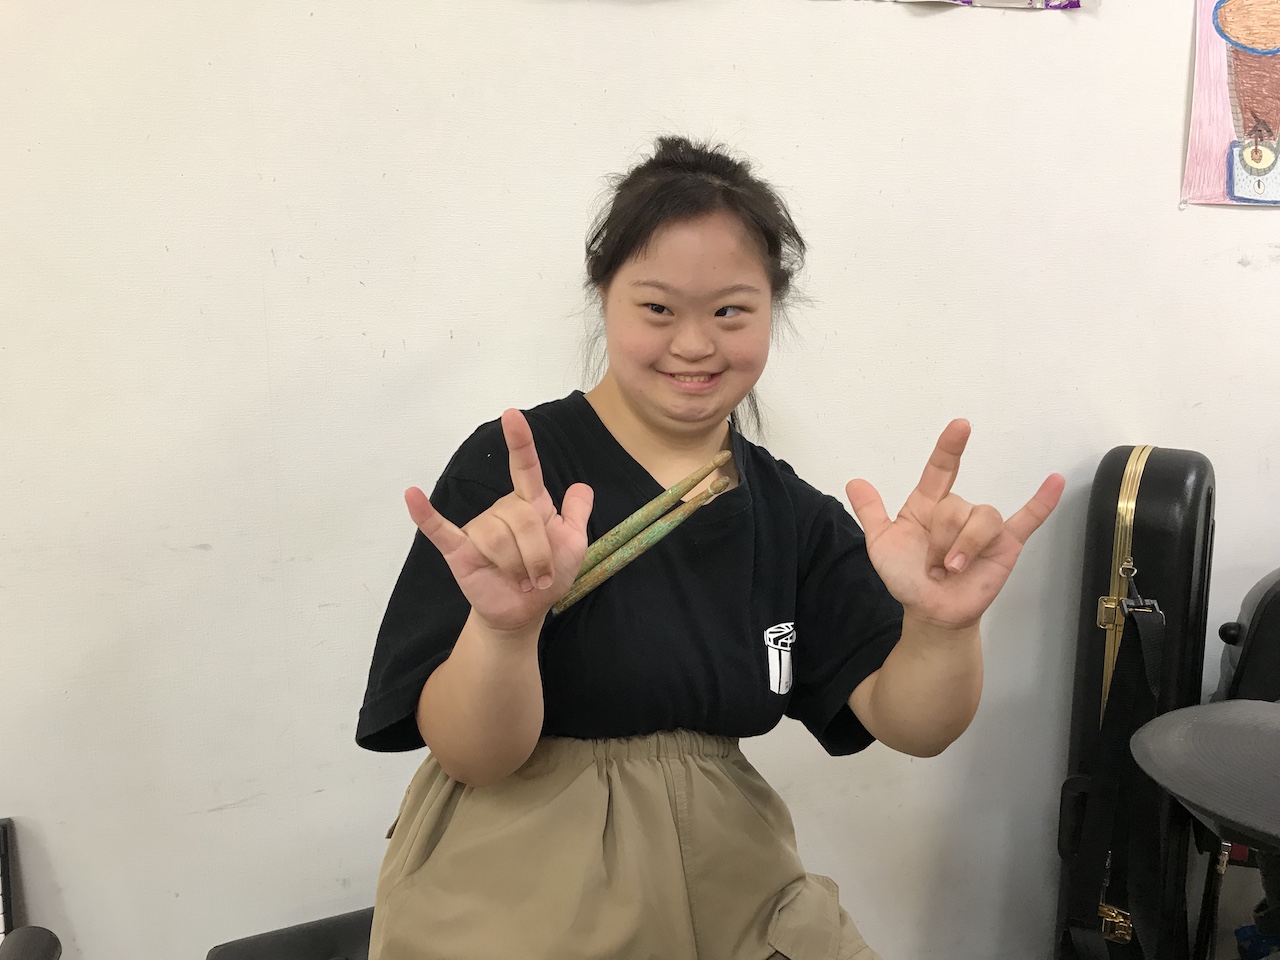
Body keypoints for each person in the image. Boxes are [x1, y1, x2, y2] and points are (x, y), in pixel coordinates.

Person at [356, 136, 1064, 960]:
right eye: (658, 309)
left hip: (732, 871)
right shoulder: (513, 476)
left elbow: (913, 723)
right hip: (519, 877)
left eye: (730, 311)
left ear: (772, 308)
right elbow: (474, 757)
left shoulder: (788, 511)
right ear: (604, 296)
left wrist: (942, 627)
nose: (695, 345)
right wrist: (504, 630)